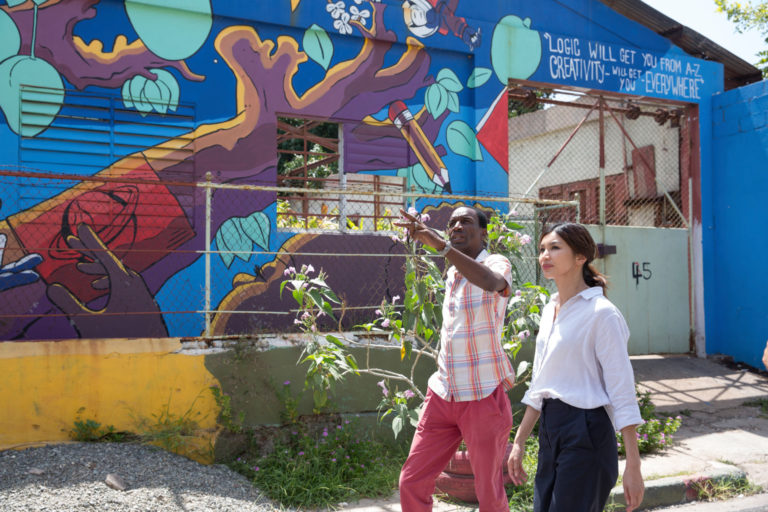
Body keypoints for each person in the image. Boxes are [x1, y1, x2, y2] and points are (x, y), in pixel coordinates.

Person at [506, 222, 645, 512]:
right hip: (551, 428)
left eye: (555, 248)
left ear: (581, 256)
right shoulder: (549, 309)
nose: (545, 255)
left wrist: (633, 464)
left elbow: (622, 390)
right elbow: (541, 383)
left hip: (587, 429)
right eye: (542, 248)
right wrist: (519, 442)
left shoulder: (602, 314)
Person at [395, 206, 515, 512]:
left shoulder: (496, 263)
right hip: (443, 393)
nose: (457, 226)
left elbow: (491, 283)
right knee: (412, 480)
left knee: (488, 491)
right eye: (451, 224)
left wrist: (443, 247)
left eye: (466, 222)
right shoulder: (451, 271)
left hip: (482, 396)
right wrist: (446, 251)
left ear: (484, 233)